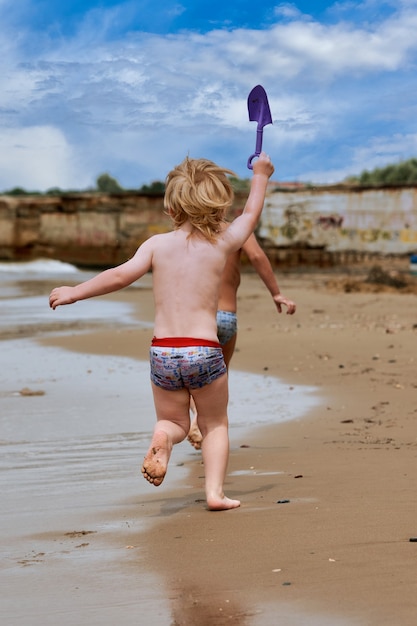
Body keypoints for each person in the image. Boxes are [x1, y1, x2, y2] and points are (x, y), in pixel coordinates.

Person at [49, 152, 274, 511]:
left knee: (173, 421)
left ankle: (162, 437)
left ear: (171, 209)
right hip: (203, 350)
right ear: (218, 208)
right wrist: (261, 175)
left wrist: (75, 292)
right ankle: (214, 494)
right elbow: (249, 215)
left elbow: (119, 275)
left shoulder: (155, 245)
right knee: (214, 423)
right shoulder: (221, 244)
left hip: (164, 352)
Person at [187, 232, 296, 449]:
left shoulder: (192, 230)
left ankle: (198, 415)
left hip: (199, 318)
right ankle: (209, 430)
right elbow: (256, 256)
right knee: (220, 377)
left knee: (191, 378)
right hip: (227, 317)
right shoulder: (237, 230)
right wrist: (276, 293)